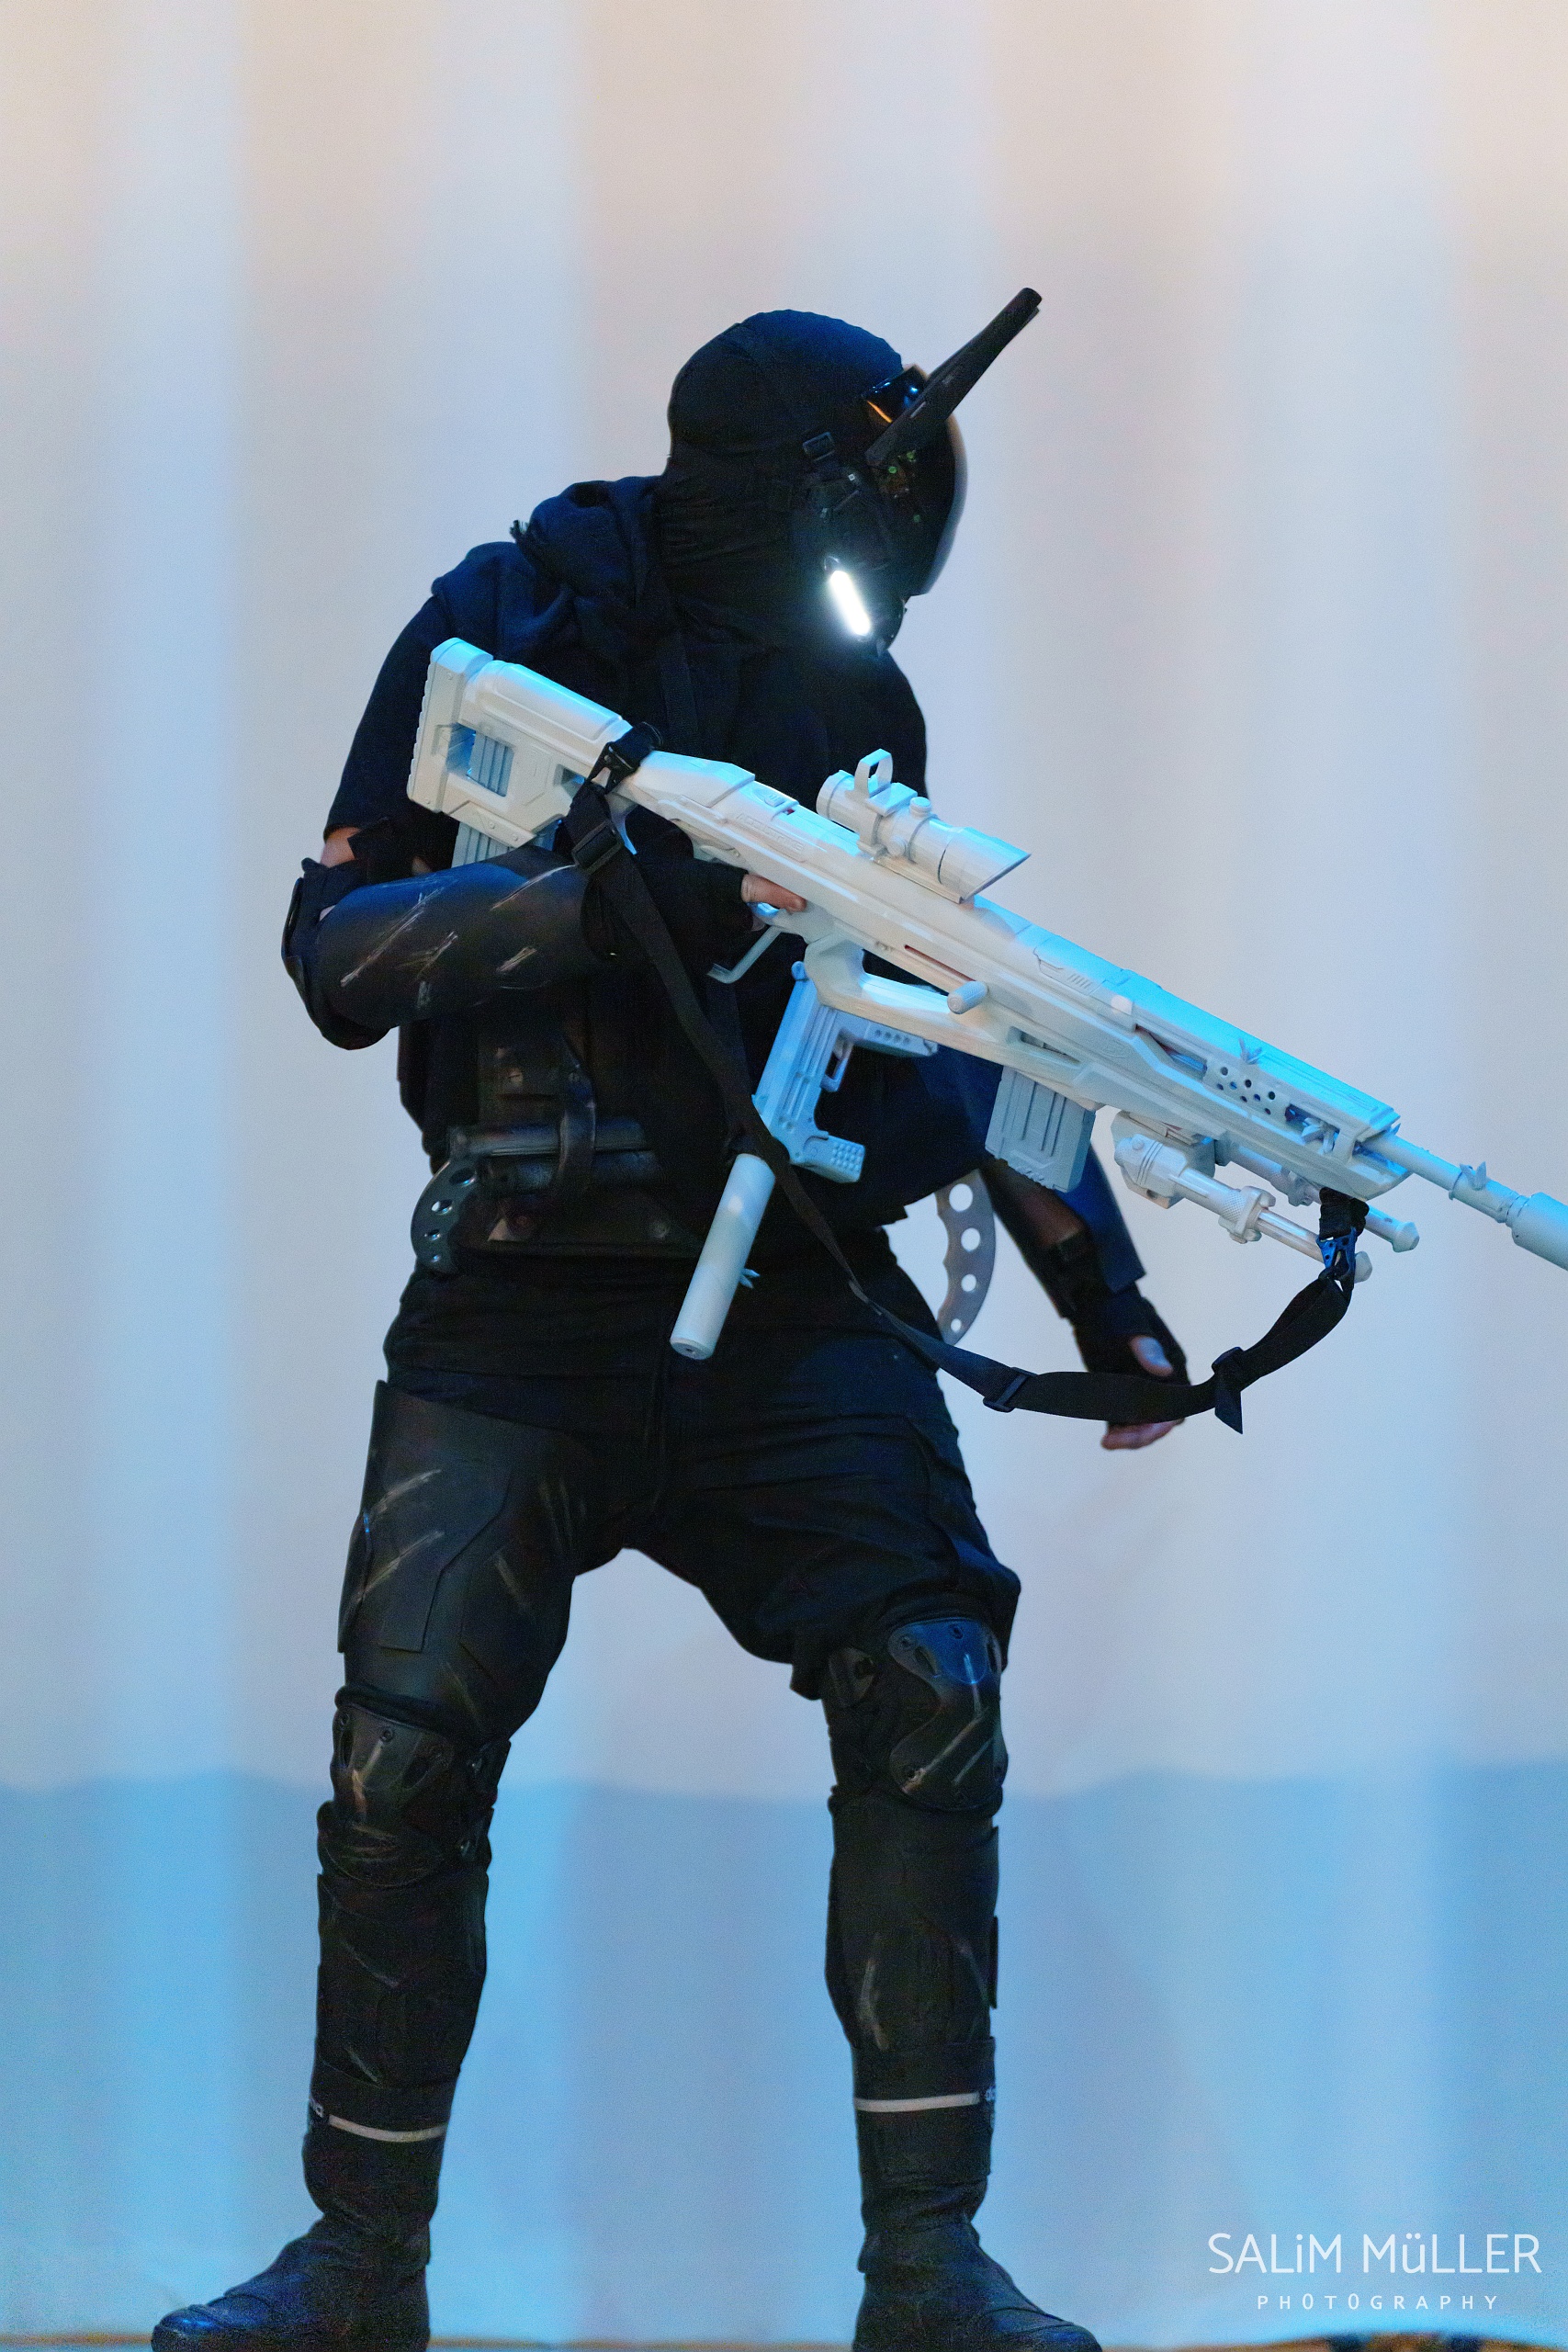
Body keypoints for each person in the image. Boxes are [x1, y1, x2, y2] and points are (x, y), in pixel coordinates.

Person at [153, 305, 1184, 2352]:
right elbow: (335, 954)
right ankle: (356, 2274)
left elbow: (940, 1004)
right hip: (525, 1286)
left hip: (791, 1288)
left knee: (929, 1679)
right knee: (400, 1753)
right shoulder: (499, 625)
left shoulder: (852, 694)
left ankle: (929, 2280)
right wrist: (595, 892)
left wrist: (1108, 1296)